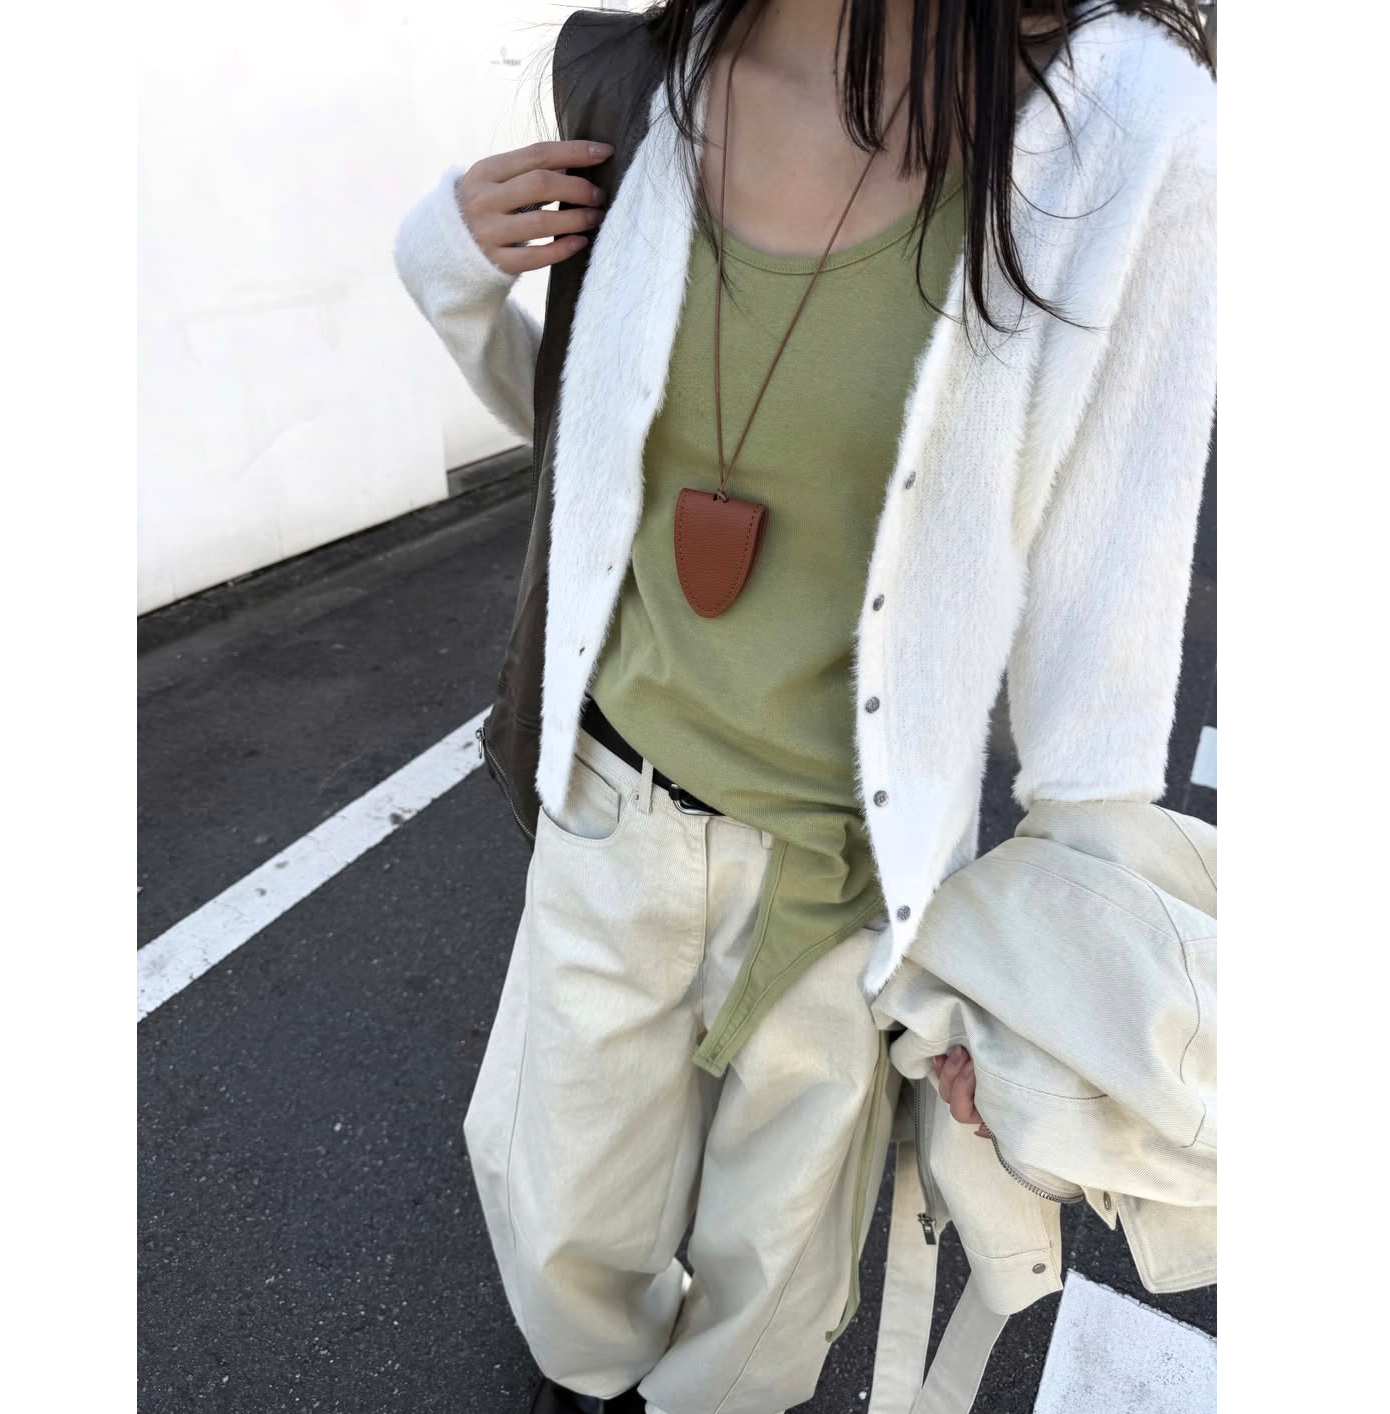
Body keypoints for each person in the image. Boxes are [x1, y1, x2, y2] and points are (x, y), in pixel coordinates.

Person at [392, 3, 1216, 1413]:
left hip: (850, 872)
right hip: (613, 802)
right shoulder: (648, 83)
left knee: (771, 1281)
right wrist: (451, 278)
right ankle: (582, 1381)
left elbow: (1110, 592)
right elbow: (595, 448)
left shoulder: (1123, 136)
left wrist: (1042, 982)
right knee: (559, 1210)